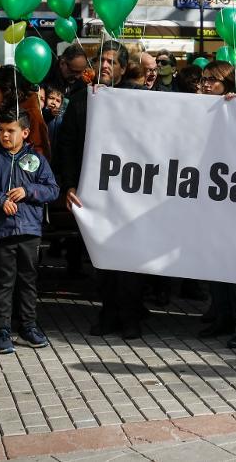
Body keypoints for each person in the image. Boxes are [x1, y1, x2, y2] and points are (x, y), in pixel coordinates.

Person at [57, 43, 149, 338]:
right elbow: (68, 145)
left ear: (123, 68)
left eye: (112, 61)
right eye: (101, 61)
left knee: (131, 258)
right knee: (102, 256)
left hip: (131, 191)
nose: (105, 65)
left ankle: (131, 316)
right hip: (95, 192)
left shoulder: (138, 99)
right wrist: (69, 183)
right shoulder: (82, 100)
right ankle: (108, 313)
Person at [0, 109, 60, 354]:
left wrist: (28, 191)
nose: (5, 136)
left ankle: (28, 326)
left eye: (12, 131)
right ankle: (2, 329)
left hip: (29, 230)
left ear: (25, 133)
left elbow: (52, 189)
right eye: (2, 131)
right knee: (3, 281)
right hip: (0, 231)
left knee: (28, 280)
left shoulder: (36, 159)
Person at [194, 62, 236, 347]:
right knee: (214, 261)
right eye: (204, 79)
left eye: (214, 80)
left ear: (228, 84)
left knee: (235, 264)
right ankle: (223, 316)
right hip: (207, 195)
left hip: (234, 196)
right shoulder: (198, 108)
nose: (207, 84)